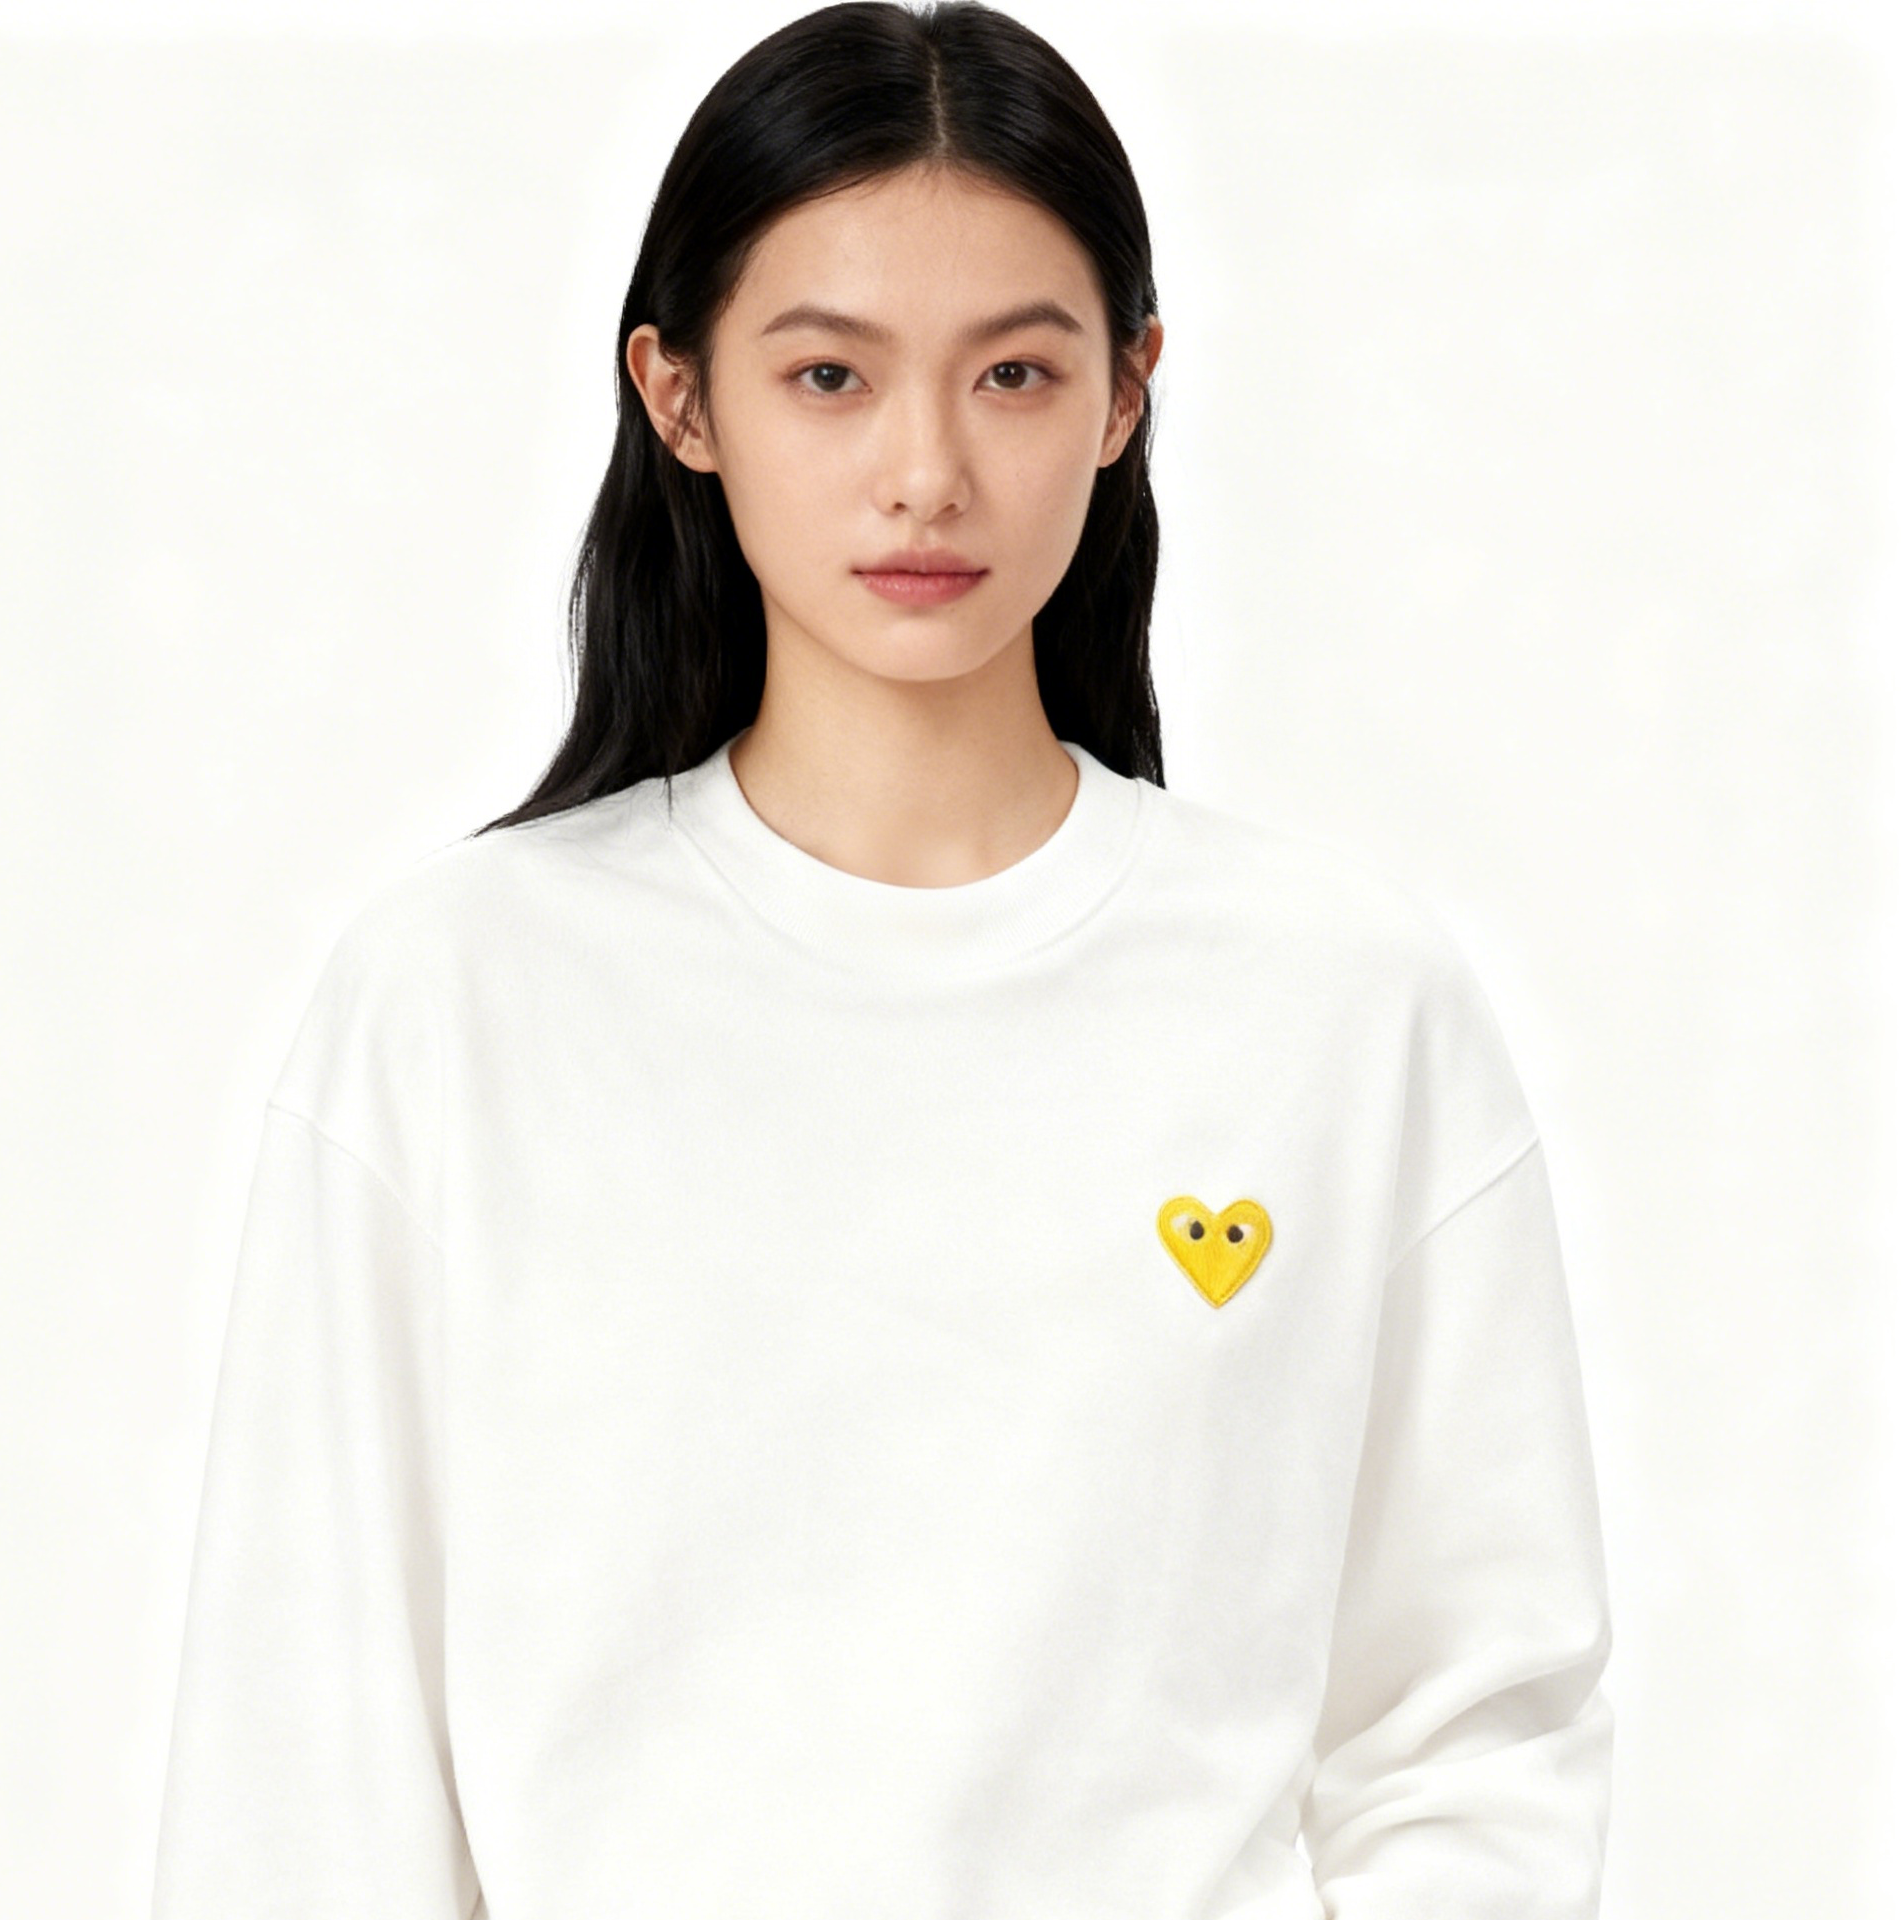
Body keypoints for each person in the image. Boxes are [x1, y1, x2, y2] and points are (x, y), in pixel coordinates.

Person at [150, 4, 1616, 1916]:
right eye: (830, 375)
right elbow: (303, 1764)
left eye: (1013, 374)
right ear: (681, 398)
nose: (926, 471)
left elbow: (1472, 1727)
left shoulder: (1340, 1003)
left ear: (1126, 391)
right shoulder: (458, 1000)